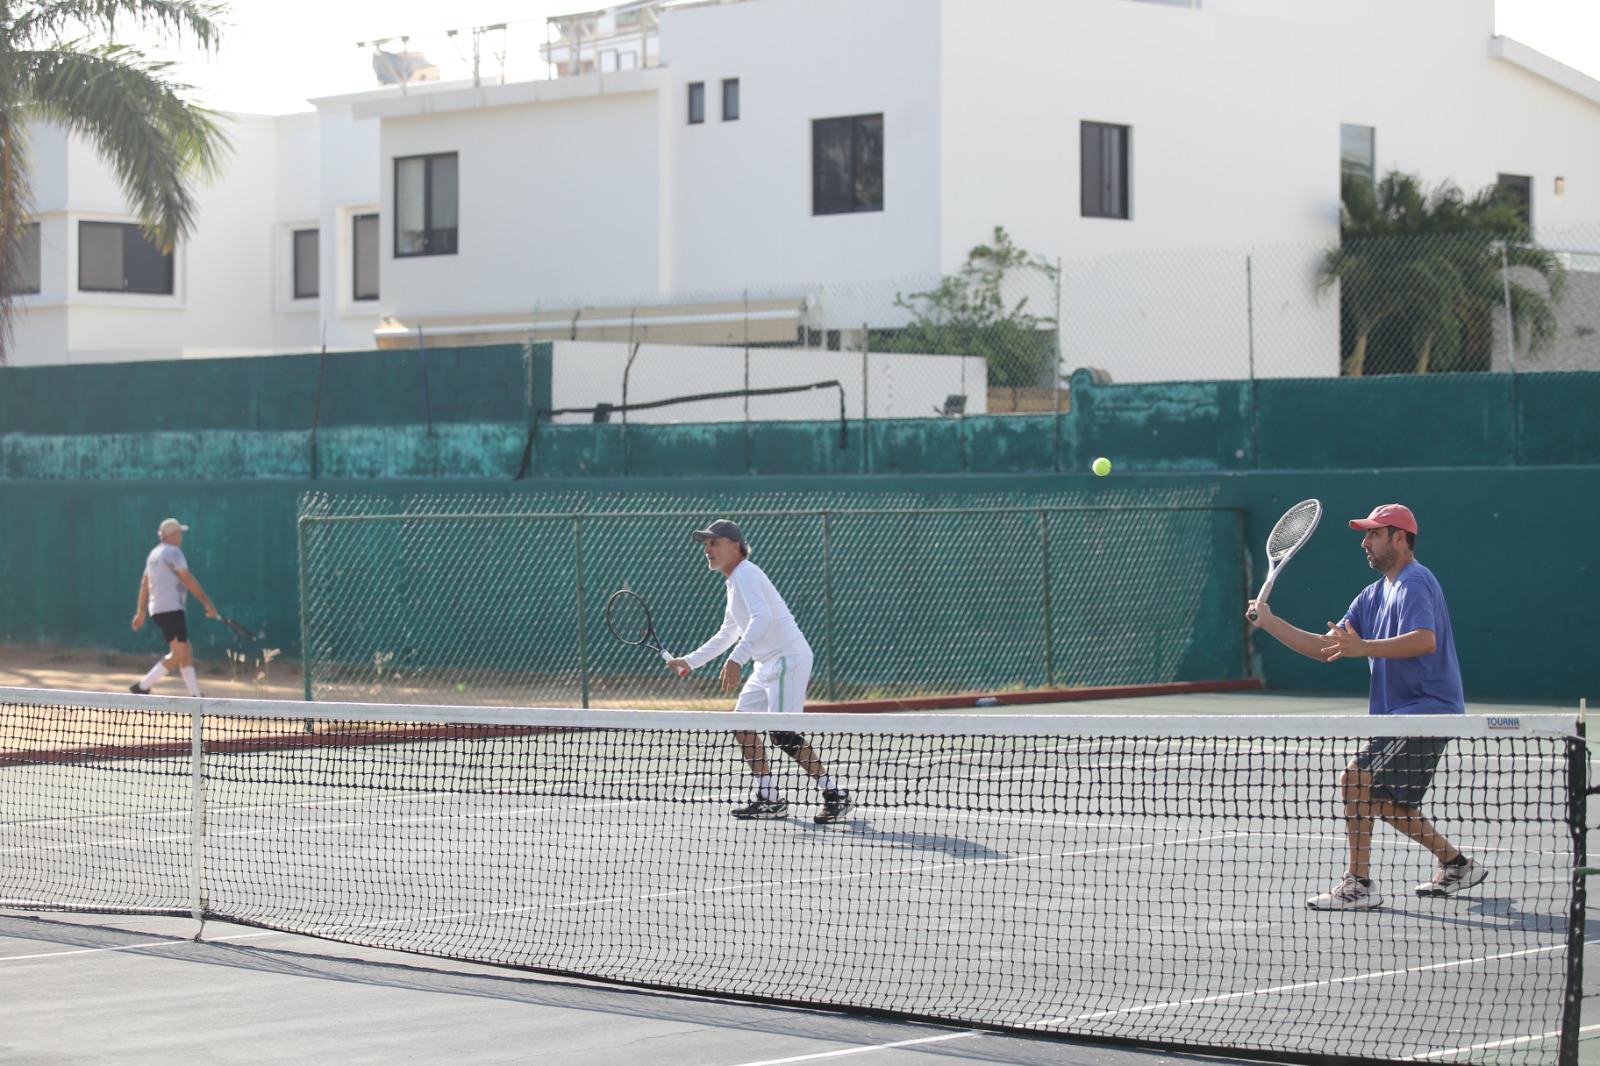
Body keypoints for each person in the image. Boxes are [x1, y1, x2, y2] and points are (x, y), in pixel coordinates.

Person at [1247, 503, 1485, 911]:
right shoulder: (1371, 596)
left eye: (1375, 534)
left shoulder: (1415, 581)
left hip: (1427, 711)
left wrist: (1364, 648)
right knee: (1380, 801)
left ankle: (1359, 884)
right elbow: (1328, 649)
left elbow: (1424, 640)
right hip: (1399, 716)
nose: (1365, 542)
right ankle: (1457, 864)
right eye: (1365, 534)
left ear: (1400, 538)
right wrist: (1270, 622)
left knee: (1354, 780)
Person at [666, 519, 854, 825]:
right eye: (705, 544)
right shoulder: (734, 581)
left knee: (782, 734)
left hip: (786, 658)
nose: (707, 550)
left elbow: (762, 617)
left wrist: (737, 660)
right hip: (766, 663)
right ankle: (770, 798)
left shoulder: (747, 573)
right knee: (743, 726)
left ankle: (835, 795)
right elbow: (729, 631)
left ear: (735, 545)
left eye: (713, 543)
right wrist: (690, 661)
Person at [130, 518, 219, 697]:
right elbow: (188, 580)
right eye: (179, 533)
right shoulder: (174, 552)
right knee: (179, 653)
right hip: (172, 609)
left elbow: (144, 584)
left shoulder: (154, 554)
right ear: (172, 535)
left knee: (186, 650)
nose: (181, 537)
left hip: (157, 609)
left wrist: (141, 611)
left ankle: (195, 695)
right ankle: (143, 686)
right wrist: (207, 602)